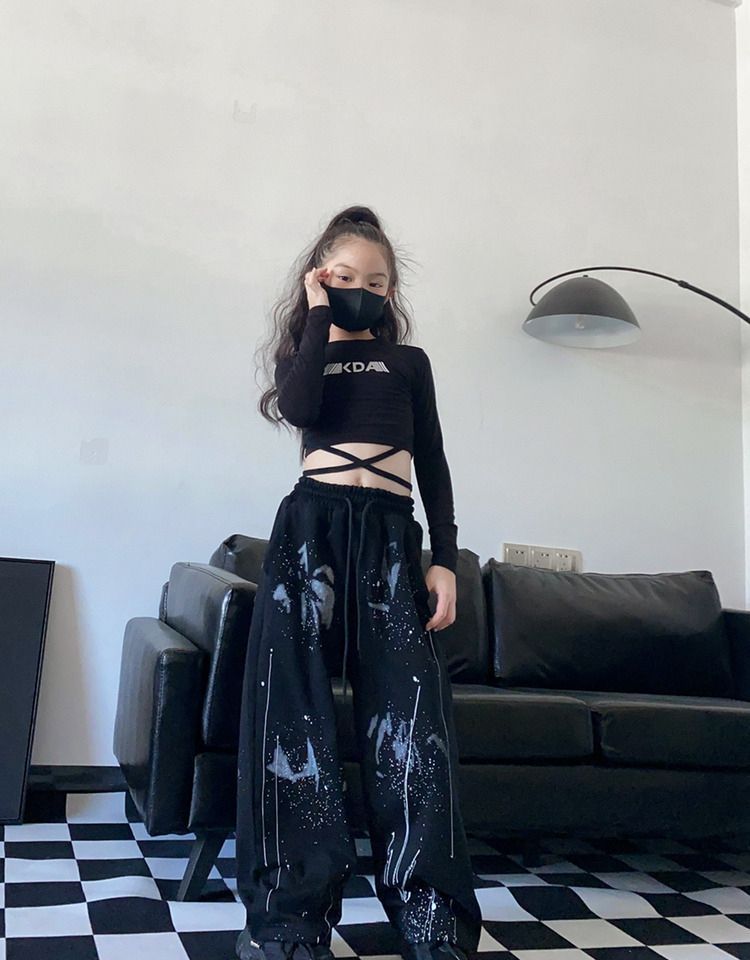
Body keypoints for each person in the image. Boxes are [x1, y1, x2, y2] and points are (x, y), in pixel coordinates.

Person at [235, 206, 482, 960]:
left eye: (377, 282)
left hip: (391, 538)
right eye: (345, 277)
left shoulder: (410, 364)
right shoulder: (304, 357)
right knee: (292, 716)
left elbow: (433, 461)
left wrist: (445, 558)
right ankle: (290, 920)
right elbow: (300, 408)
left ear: (391, 291)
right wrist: (318, 315)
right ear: (319, 277)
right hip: (309, 532)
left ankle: (431, 916)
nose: (362, 291)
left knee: (412, 722)